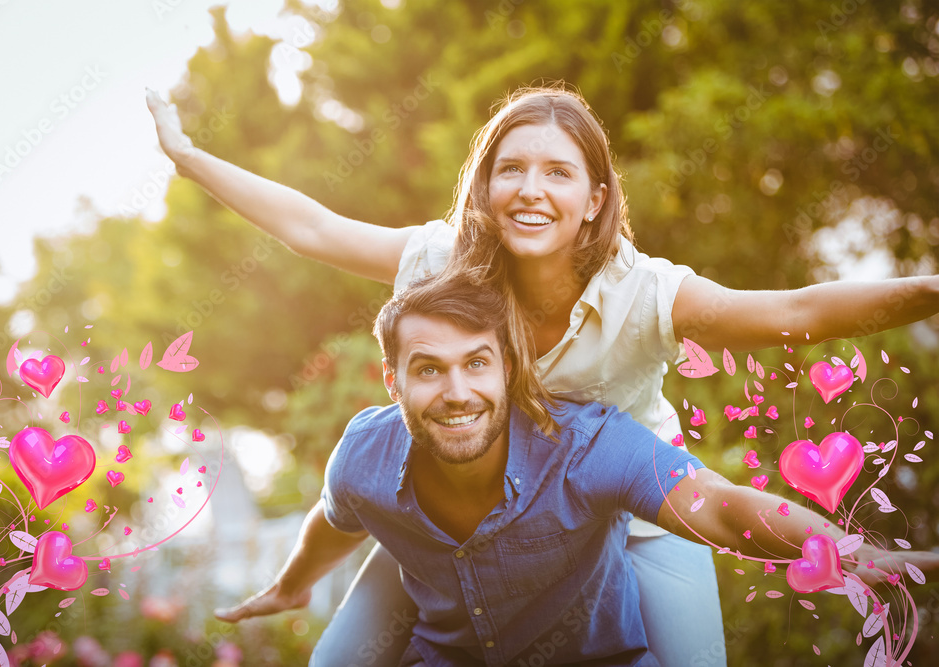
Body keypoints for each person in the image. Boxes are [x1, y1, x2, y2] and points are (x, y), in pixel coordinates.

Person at [146, 83, 939, 666]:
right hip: (471, 512)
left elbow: (795, 312)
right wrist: (188, 160)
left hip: (638, 510)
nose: (531, 189)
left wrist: (929, 290)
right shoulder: (440, 259)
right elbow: (312, 226)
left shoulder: (647, 291)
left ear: (596, 199)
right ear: (484, 188)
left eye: (558, 173)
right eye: (511, 169)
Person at [212, 273, 938, 666]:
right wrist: (290, 585)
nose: (457, 391)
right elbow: (335, 520)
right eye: (428, 369)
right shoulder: (364, 455)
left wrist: (846, 552)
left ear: (509, 368)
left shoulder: (588, 447)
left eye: (476, 364)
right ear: (393, 379)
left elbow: (719, 505)